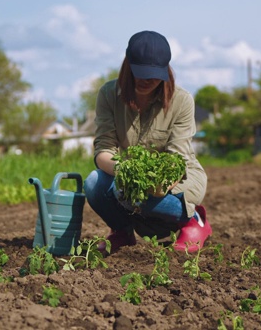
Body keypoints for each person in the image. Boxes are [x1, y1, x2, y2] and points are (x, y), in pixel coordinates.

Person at [84, 30, 212, 254]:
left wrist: (156, 185)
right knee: (96, 183)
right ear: (128, 65)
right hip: (129, 180)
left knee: (131, 194)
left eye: (154, 74)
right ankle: (122, 233)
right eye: (140, 72)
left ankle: (194, 220)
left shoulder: (181, 101)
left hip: (178, 181)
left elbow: (177, 157)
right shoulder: (108, 95)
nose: (146, 80)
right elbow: (104, 148)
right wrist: (126, 171)